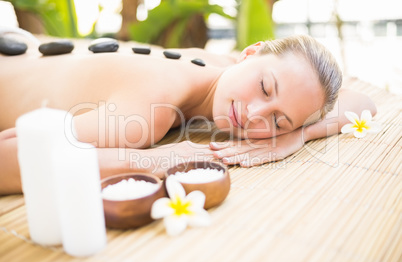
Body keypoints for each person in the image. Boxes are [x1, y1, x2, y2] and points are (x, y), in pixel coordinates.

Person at [0, 35, 376, 195]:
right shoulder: (149, 111)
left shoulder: (221, 68)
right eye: (265, 88)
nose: (255, 114)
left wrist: (295, 137)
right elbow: (11, 159)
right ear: (251, 51)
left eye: (277, 120)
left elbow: (362, 103)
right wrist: (153, 159)